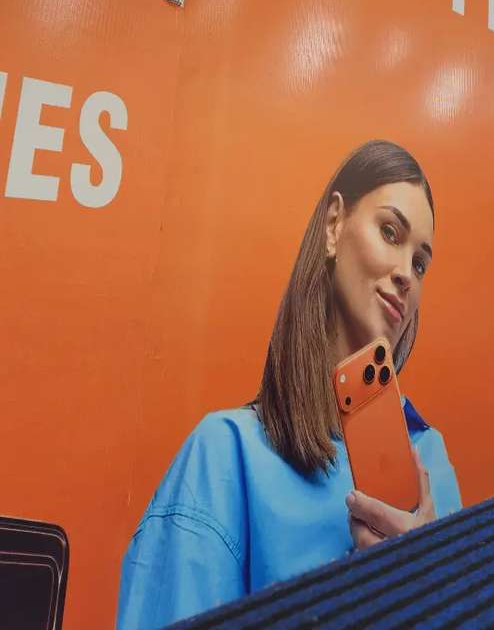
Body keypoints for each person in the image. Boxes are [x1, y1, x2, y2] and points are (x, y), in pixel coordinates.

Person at [116, 140, 461, 629]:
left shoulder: (431, 464)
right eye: (390, 232)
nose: (407, 273)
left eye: (420, 263)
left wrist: (426, 587)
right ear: (334, 225)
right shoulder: (222, 458)